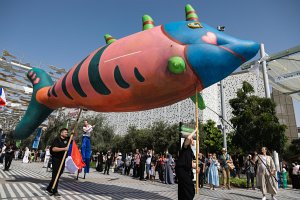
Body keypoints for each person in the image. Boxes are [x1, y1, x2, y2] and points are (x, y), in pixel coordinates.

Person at [175, 131, 199, 200]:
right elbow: (188, 137)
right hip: (181, 170)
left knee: (183, 188)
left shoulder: (190, 151)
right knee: (189, 187)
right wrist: (195, 130)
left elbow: (190, 163)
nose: (192, 140)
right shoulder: (185, 147)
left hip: (186, 170)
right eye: (192, 139)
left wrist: (197, 167)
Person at [46, 128, 70, 196]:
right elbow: (54, 149)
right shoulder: (57, 140)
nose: (66, 133)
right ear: (61, 133)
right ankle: (54, 190)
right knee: (55, 174)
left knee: (59, 174)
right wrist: (64, 149)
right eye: (65, 132)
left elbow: (74, 137)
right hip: (56, 159)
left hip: (62, 160)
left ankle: (49, 187)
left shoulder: (67, 139)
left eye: (67, 132)